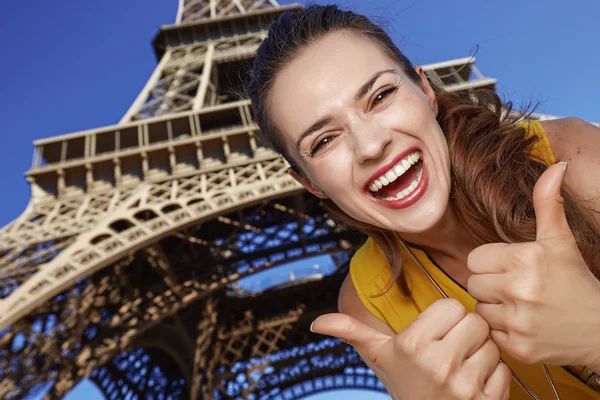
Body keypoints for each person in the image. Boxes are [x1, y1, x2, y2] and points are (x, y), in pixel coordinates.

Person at [245, 4, 600, 399]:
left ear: (426, 91)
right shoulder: (366, 304)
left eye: (381, 96)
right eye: (324, 141)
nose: (371, 145)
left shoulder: (572, 157)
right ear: (309, 183)